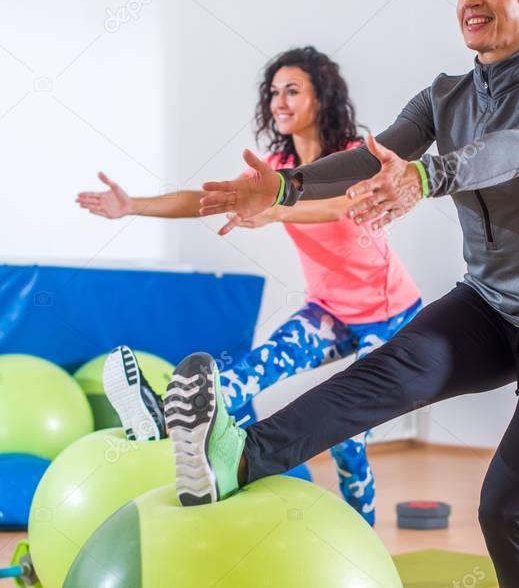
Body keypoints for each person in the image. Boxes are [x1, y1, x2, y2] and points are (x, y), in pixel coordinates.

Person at [166, 0, 519, 587]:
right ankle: (236, 459)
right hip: (491, 304)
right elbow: (363, 158)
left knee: (505, 508)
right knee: (388, 371)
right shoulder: (445, 95)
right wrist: (284, 184)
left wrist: (426, 176)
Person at [76, 47, 423, 525]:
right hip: (329, 312)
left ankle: (362, 539)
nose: (279, 101)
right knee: (243, 377)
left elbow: (339, 206)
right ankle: (164, 418)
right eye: (274, 92)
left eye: (292, 90)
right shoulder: (274, 165)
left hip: (393, 316)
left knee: (347, 437)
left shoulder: (351, 158)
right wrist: (131, 205)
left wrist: (277, 208)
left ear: (321, 98)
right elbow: (205, 198)